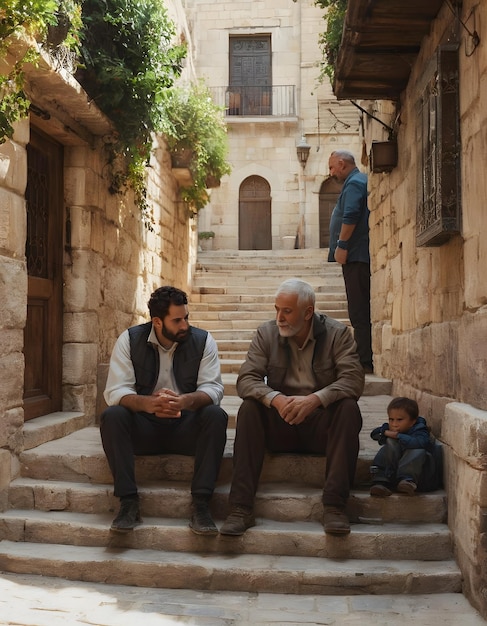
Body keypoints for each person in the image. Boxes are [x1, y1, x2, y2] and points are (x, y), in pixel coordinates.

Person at [220, 278, 365, 537]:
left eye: (287, 311)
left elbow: (353, 380)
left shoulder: (337, 334)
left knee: (348, 409)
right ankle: (240, 508)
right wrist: (275, 398)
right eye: (277, 309)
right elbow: (246, 379)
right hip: (281, 422)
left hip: (320, 425)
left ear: (308, 312)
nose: (279, 318)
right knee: (250, 409)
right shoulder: (266, 333)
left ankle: (334, 507)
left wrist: (315, 400)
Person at [100, 286, 228, 535]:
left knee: (215, 415)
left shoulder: (203, 341)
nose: (185, 325)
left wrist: (185, 401)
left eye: (186, 317)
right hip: (145, 429)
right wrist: (147, 403)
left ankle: (201, 505)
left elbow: (214, 389)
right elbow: (115, 392)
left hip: (186, 427)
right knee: (112, 416)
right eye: (177, 320)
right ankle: (128, 503)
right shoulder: (130, 339)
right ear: (157, 322)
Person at [328, 149, 373, 373]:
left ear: (342, 163)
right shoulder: (354, 181)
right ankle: (363, 355)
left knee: (358, 309)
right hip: (355, 255)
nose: (331, 172)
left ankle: (364, 360)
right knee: (357, 308)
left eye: (332, 167)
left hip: (356, 255)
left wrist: (342, 245)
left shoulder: (355, 182)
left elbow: (352, 214)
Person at [369, 397, 442, 496]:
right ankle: (381, 482)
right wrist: (386, 432)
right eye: (391, 419)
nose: (394, 424)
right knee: (389, 444)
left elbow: (420, 443)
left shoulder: (420, 430)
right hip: (395, 474)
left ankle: (406, 481)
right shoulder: (389, 428)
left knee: (417, 451)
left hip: (419, 479)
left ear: (412, 421)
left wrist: (398, 436)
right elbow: (374, 434)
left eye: (399, 420)